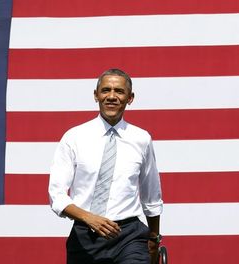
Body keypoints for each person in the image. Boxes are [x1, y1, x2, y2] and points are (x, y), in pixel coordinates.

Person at [48, 69, 163, 263]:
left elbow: (151, 194)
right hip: (85, 235)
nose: (111, 96)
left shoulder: (142, 139)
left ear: (130, 98)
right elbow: (56, 194)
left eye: (119, 91)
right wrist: (88, 217)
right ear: (96, 95)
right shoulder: (74, 137)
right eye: (105, 90)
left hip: (129, 236)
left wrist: (154, 238)